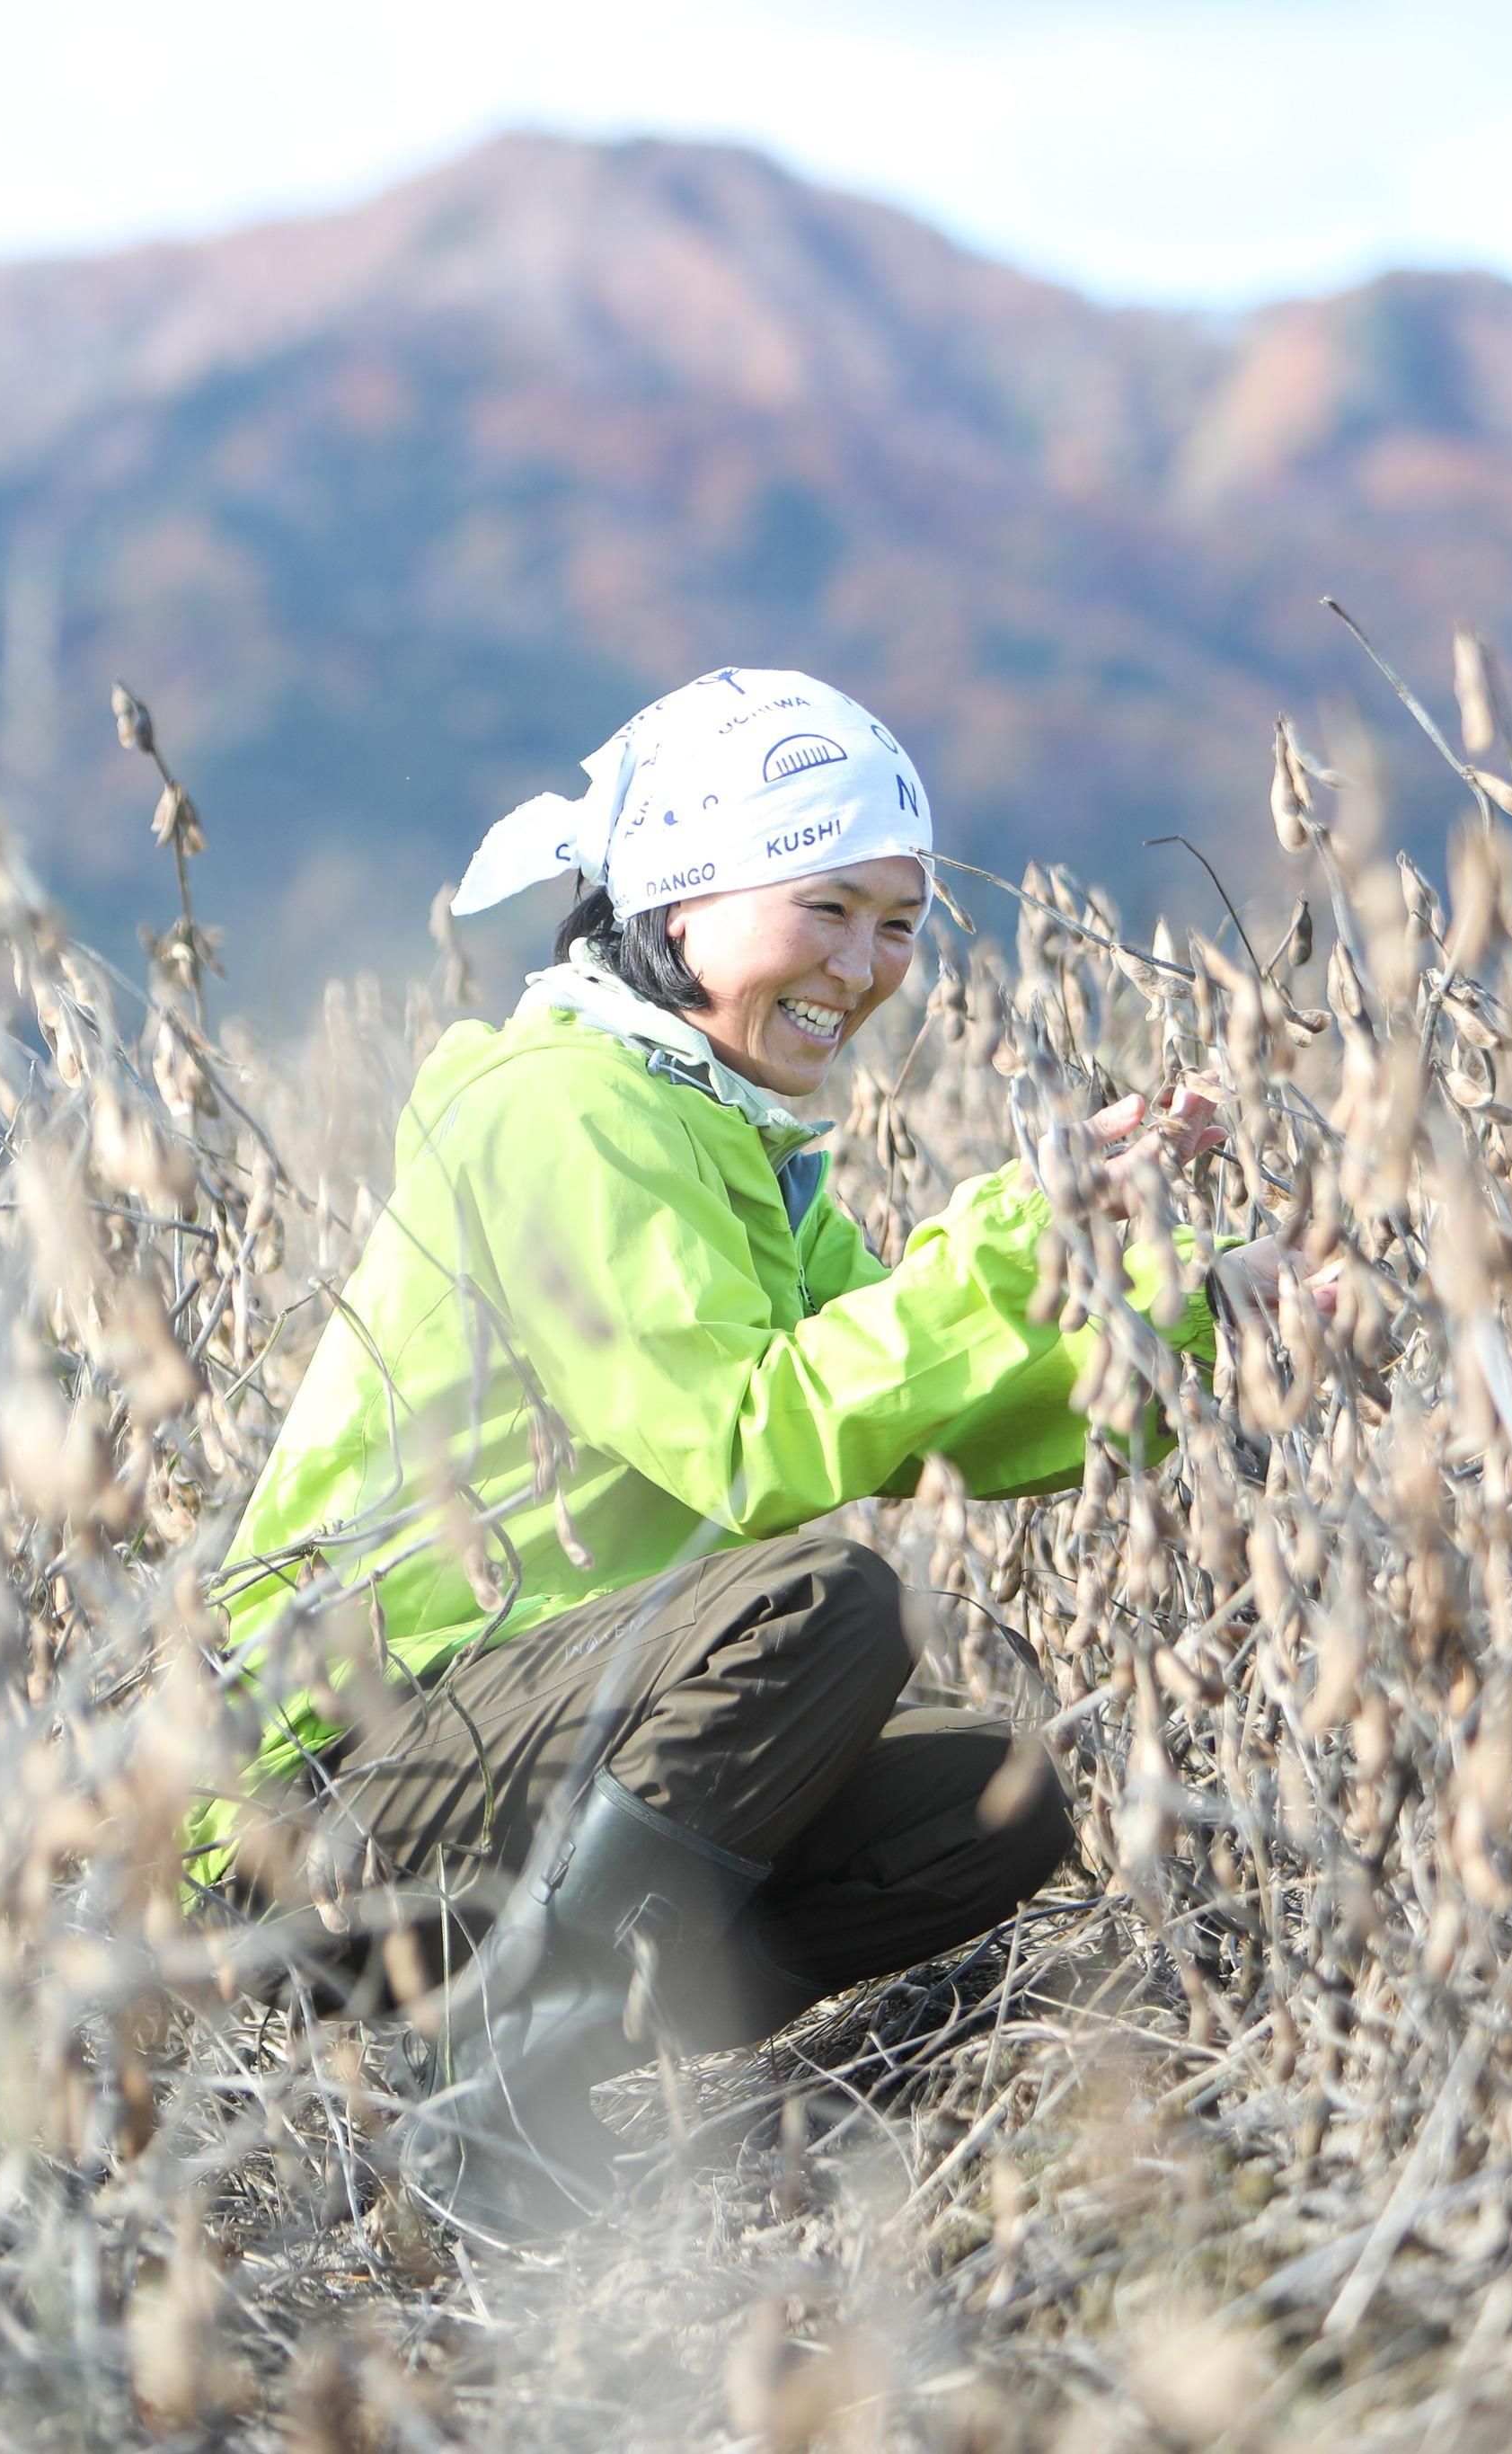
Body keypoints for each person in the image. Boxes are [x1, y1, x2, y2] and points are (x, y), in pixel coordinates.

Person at [196, 669, 1316, 2237]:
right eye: (828, 908)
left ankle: (510, 2065)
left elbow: (937, 1406)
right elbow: (750, 1436)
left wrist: (1190, 1321)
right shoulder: (566, 1113)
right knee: (820, 1606)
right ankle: (499, 2118)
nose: (864, 970)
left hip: (509, 1766)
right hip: (326, 1794)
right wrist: (1018, 1224)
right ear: (679, 896)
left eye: (901, 923)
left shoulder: (724, 1136)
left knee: (984, 1797)